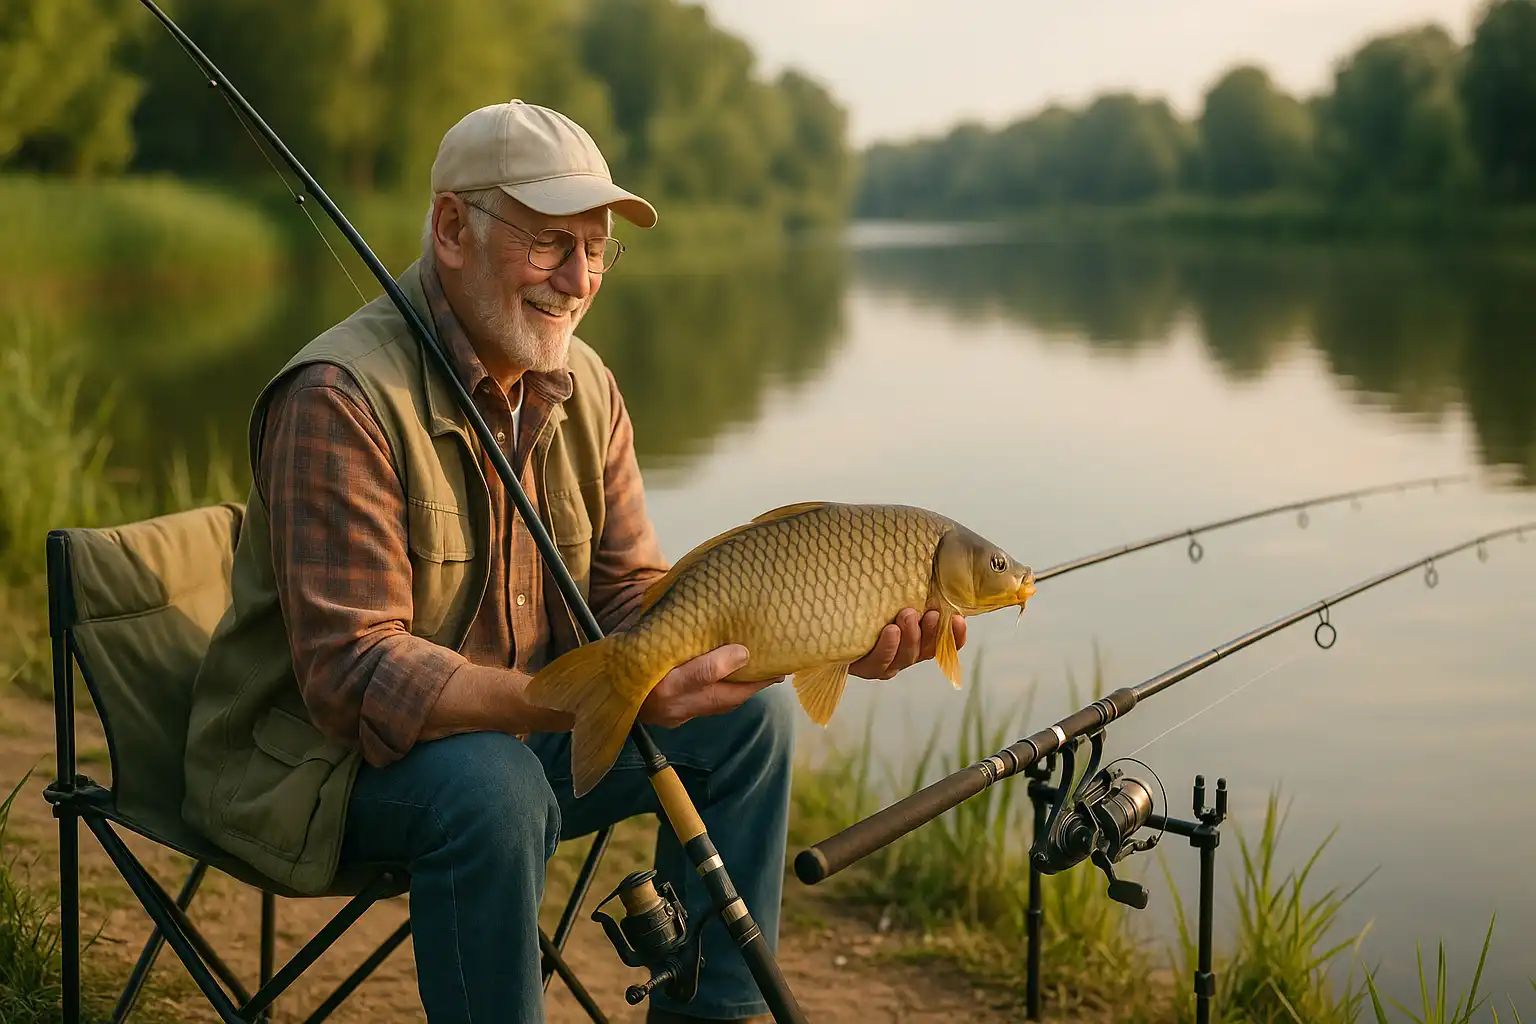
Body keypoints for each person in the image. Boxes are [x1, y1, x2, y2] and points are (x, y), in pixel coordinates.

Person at [181, 100, 966, 1023]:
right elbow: (352, 675)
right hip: (323, 771)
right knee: (493, 788)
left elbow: (633, 595)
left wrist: (823, 638)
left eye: (597, 250)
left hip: (518, 734)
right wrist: (583, 694)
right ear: (451, 230)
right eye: (552, 244)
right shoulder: (339, 399)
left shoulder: (585, 384)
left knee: (749, 730)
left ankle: (709, 1015)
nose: (578, 279)